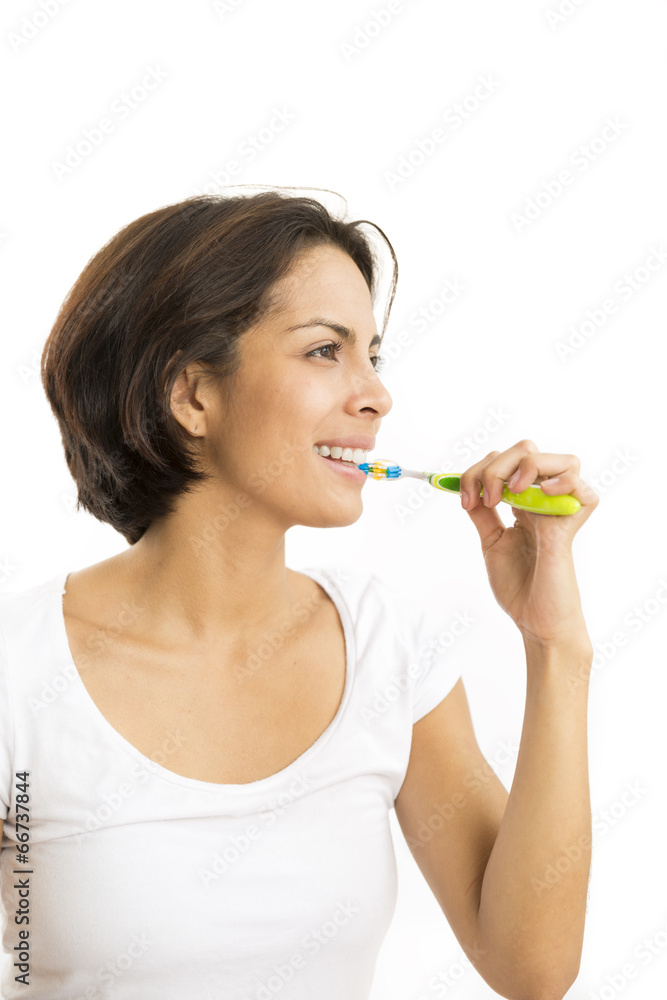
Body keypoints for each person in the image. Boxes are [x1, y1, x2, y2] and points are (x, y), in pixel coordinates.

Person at [0, 188, 599, 1000]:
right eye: (325, 351)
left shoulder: (385, 647)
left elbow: (531, 967)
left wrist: (554, 643)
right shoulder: (18, 671)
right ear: (193, 396)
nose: (375, 396)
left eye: (371, 357)